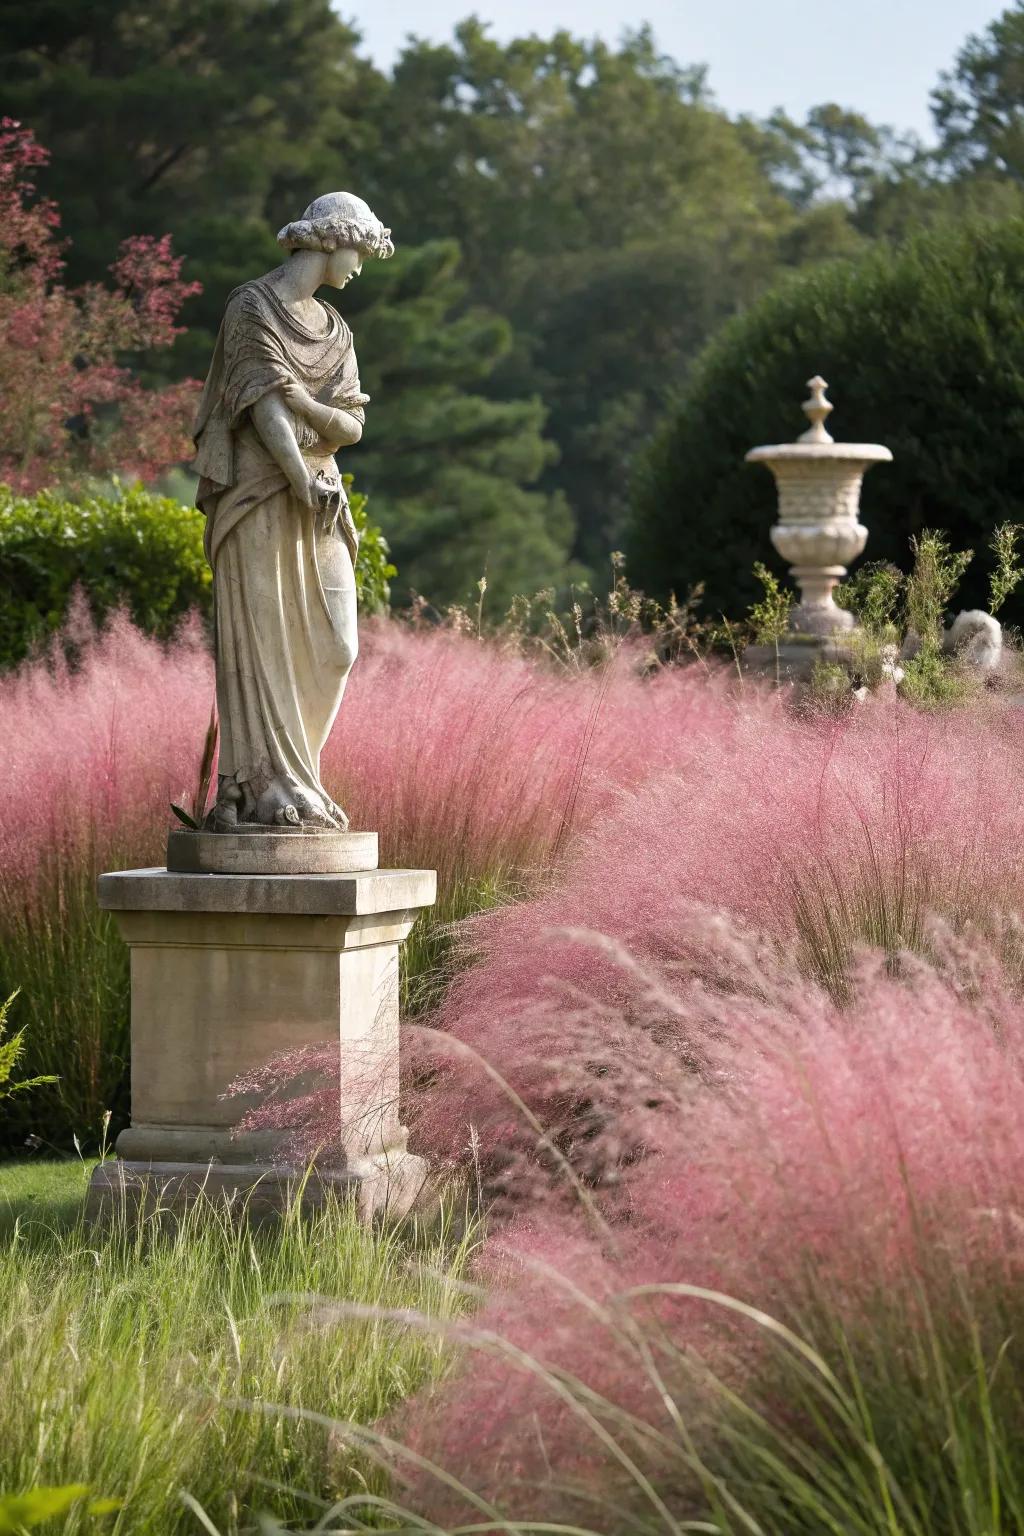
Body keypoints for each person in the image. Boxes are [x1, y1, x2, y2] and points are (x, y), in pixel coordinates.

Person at [192, 192, 393, 830]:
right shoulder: (251, 305)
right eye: (358, 252)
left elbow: (352, 425)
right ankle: (267, 788)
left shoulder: (337, 330)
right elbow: (260, 403)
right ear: (332, 242)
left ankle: (301, 774)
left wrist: (307, 409)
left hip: (321, 493)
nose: (358, 267)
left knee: (338, 645)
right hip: (260, 492)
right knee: (266, 641)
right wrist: (299, 471)